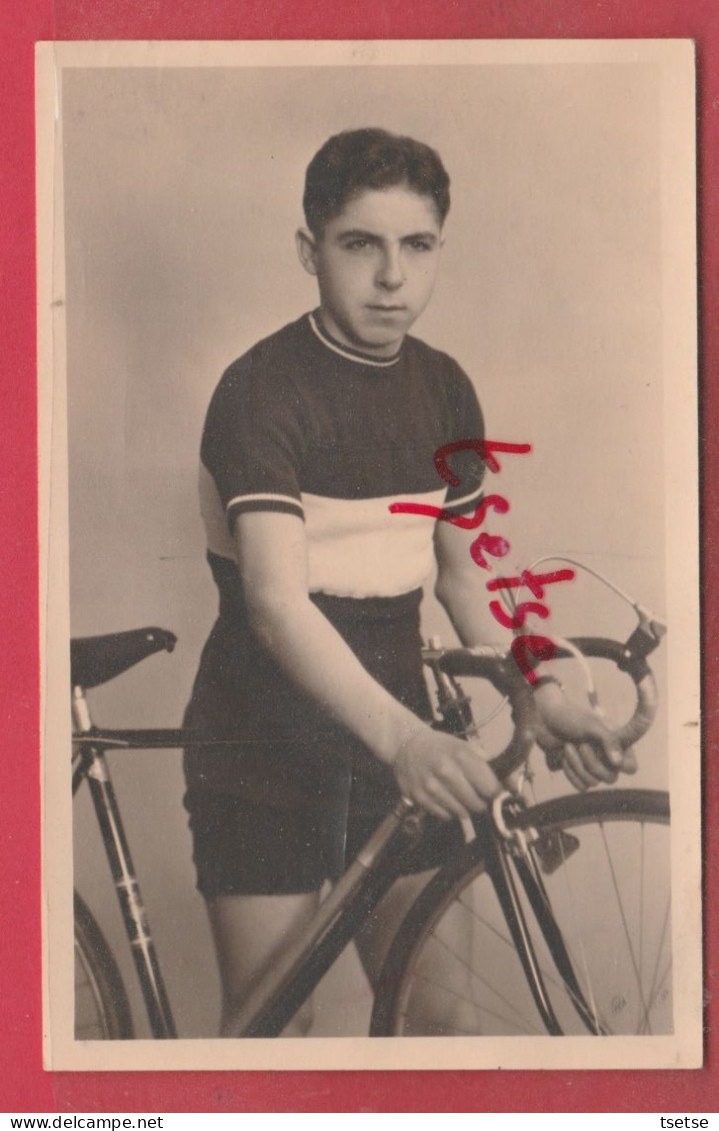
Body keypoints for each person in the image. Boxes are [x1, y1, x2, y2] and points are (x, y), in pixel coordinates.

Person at [183, 127, 636, 1036]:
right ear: (309, 251)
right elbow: (275, 605)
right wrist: (408, 744)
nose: (392, 277)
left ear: (438, 250)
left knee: (442, 1019)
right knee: (276, 1032)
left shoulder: (445, 389)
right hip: (263, 739)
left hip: (397, 725)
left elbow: (468, 575)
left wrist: (539, 684)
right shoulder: (258, 391)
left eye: (416, 245)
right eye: (361, 245)